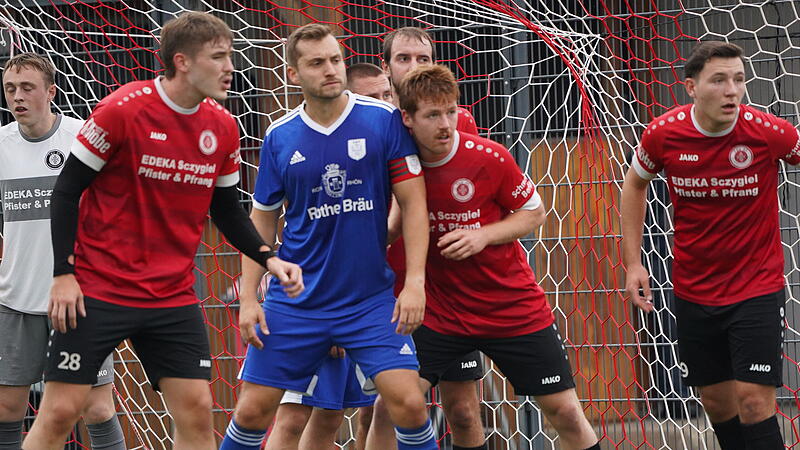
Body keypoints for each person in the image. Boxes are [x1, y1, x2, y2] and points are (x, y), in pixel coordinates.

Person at [21, 12, 302, 450]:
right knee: (60, 411)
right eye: (219, 56)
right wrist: (63, 273)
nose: (231, 67)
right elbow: (66, 192)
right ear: (183, 61)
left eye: (230, 56)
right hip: (99, 287)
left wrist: (269, 257)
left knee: (196, 406)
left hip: (171, 293)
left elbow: (227, 212)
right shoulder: (122, 109)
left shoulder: (224, 128)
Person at [219, 23, 436, 450]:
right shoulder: (280, 137)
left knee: (410, 403)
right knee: (252, 411)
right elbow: (259, 224)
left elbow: (414, 204)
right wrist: (248, 299)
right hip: (298, 301)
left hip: (368, 299)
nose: (330, 70)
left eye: (335, 60)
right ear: (293, 74)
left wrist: (414, 282)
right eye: (317, 63)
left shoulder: (382, 121)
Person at [375, 64, 602, 450]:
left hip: (509, 305)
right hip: (440, 311)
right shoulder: (397, 164)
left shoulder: (489, 157)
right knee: (394, 406)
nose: (445, 124)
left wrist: (483, 236)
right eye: (432, 115)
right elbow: (391, 227)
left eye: (450, 111)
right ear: (408, 119)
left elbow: (534, 211)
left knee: (565, 412)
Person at [622, 41, 798, 450]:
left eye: (738, 80)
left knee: (754, 402)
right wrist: (633, 263)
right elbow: (634, 185)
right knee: (717, 404)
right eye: (719, 80)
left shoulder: (771, 132)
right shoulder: (663, 134)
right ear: (691, 87)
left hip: (756, 287)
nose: (732, 90)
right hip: (694, 290)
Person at [0, 53, 125, 450]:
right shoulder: (0, 146)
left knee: (97, 409)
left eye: (27, 88)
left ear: (51, 92)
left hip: (78, 298)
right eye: (9, 89)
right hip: (15, 299)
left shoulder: (82, 138)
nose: (17, 97)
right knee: (6, 408)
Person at [265, 63, 392, 450]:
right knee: (292, 416)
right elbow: (271, 221)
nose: (383, 106)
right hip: (309, 297)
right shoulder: (292, 139)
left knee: (334, 413)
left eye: (388, 96)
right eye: (373, 99)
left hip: (365, 298)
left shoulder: (388, 142)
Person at [371, 27, 485, 449]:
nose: (414, 67)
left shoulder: (457, 121)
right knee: (388, 405)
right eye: (403, 58)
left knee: (463, 409)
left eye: (423, 58)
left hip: (448, 289)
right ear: (387, 66)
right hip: (384, 286)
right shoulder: (371, 126)